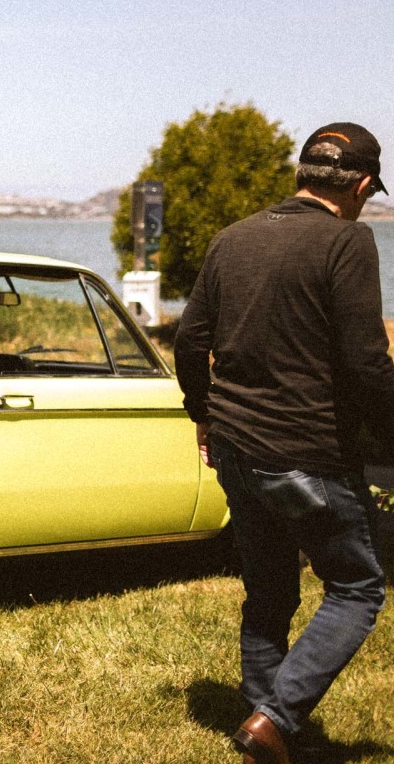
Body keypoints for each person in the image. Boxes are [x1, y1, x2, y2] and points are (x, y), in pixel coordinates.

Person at [175, 122, 392, 763]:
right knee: (356, 588)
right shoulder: (348, 241)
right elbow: (366, 365)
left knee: (269, 591)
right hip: (306, 450)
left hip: (236, 446)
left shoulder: (232, 238)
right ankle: (275, 719)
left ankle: (261, 730)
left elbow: (190, 342)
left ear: (302, 175)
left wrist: (203, 414)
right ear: (358, 185)